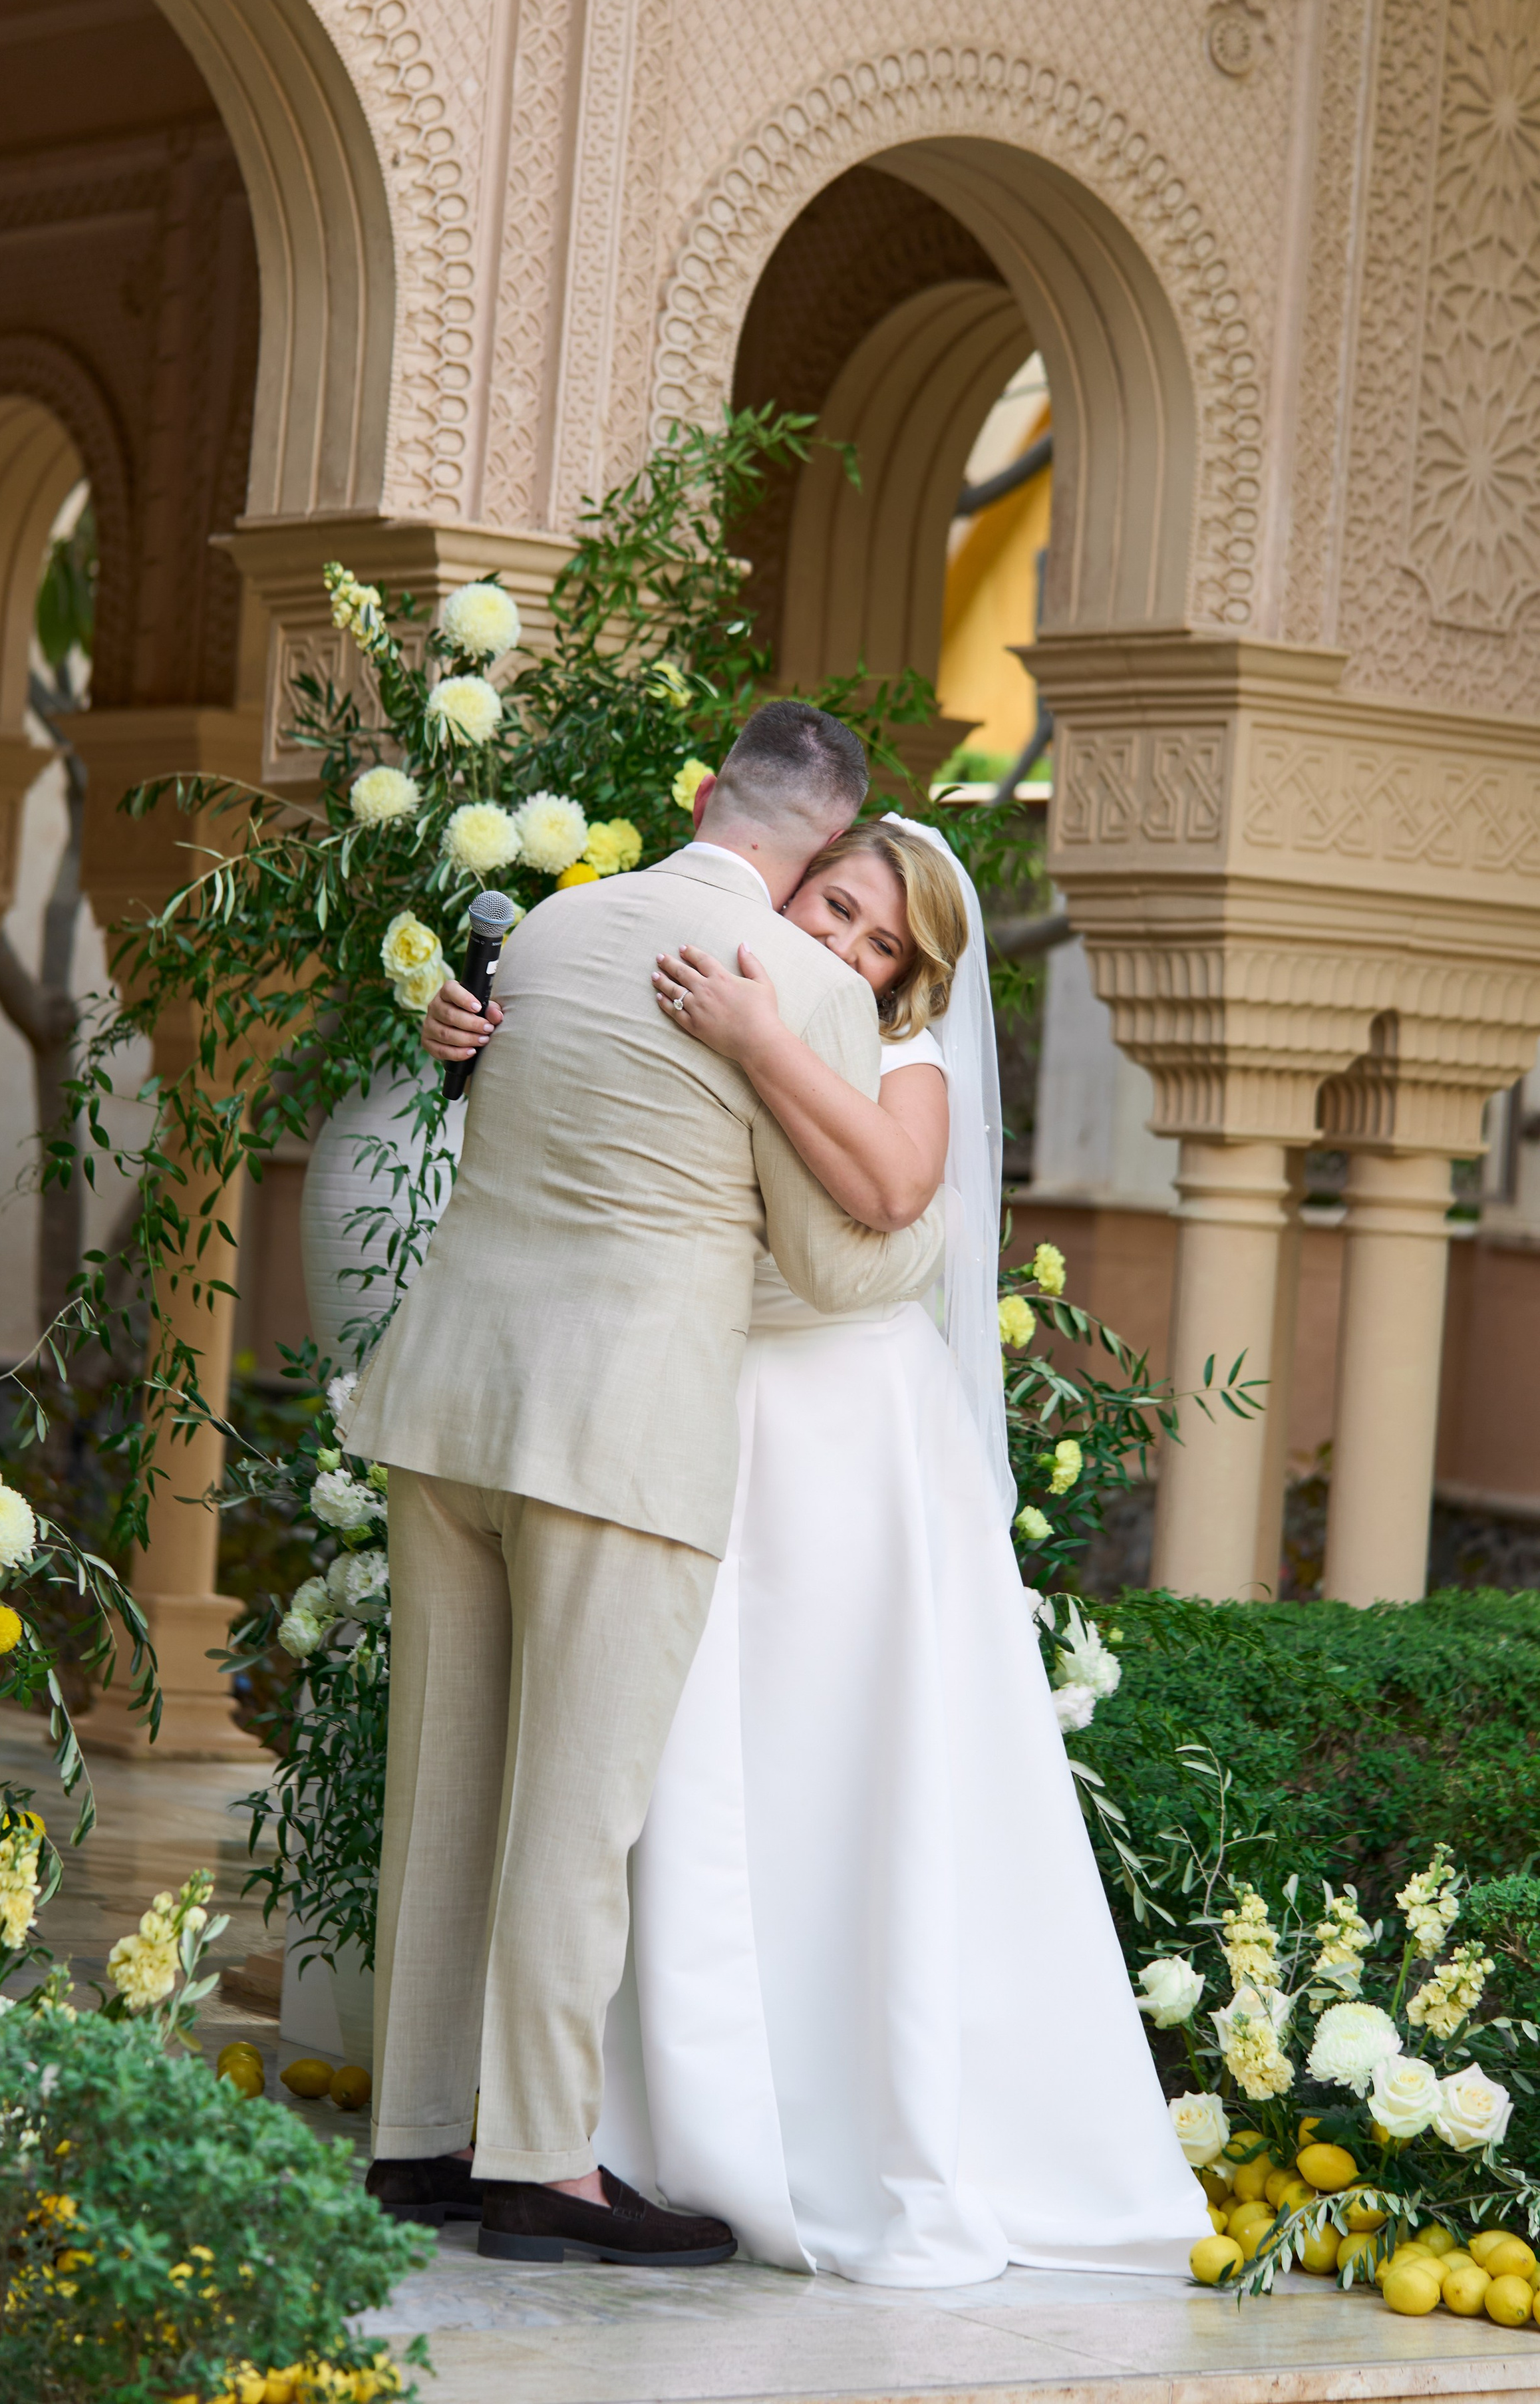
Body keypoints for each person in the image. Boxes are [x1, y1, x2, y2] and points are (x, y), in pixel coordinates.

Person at [426, 814, 1207, 2287]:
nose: (846, 947)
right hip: (689, 1403)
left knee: (825, 1766)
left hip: (844, 1443)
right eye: (835, 908)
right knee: (660, 1776)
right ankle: (606, 2116)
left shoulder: (877, 1050)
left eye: (877, 942)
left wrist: (760, 1028)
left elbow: (889, 1193)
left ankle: (823, 2116)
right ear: (788, 883)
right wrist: (466, 1036)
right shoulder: (706, 984)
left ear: (911, 976)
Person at [341, 702, 947, 2268]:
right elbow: (830, 1255)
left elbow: (495, 1113)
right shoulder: (801, 987)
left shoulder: (541, 927)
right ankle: (541, 2164)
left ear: (703, 795)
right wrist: (926, 1245)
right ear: (822, 844)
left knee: (444, 1768)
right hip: (618, 1429)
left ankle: (415, 2140)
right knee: (576, 1807)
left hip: (447, 1393)